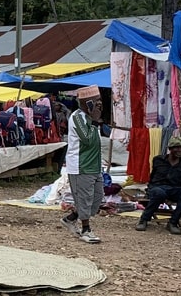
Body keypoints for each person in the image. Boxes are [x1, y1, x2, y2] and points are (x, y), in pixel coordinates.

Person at [59, 86, 104, 244]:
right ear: (86, 103)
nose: (99, 104)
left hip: (95, 165)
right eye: (95, 102)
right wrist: (95, 121)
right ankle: (86, 230)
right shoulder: (77, 117)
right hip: (81, 165)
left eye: (100, 101)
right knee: (85, 199)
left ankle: (70, 219)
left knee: (97, 198)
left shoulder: (90, 118)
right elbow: (87, 140)